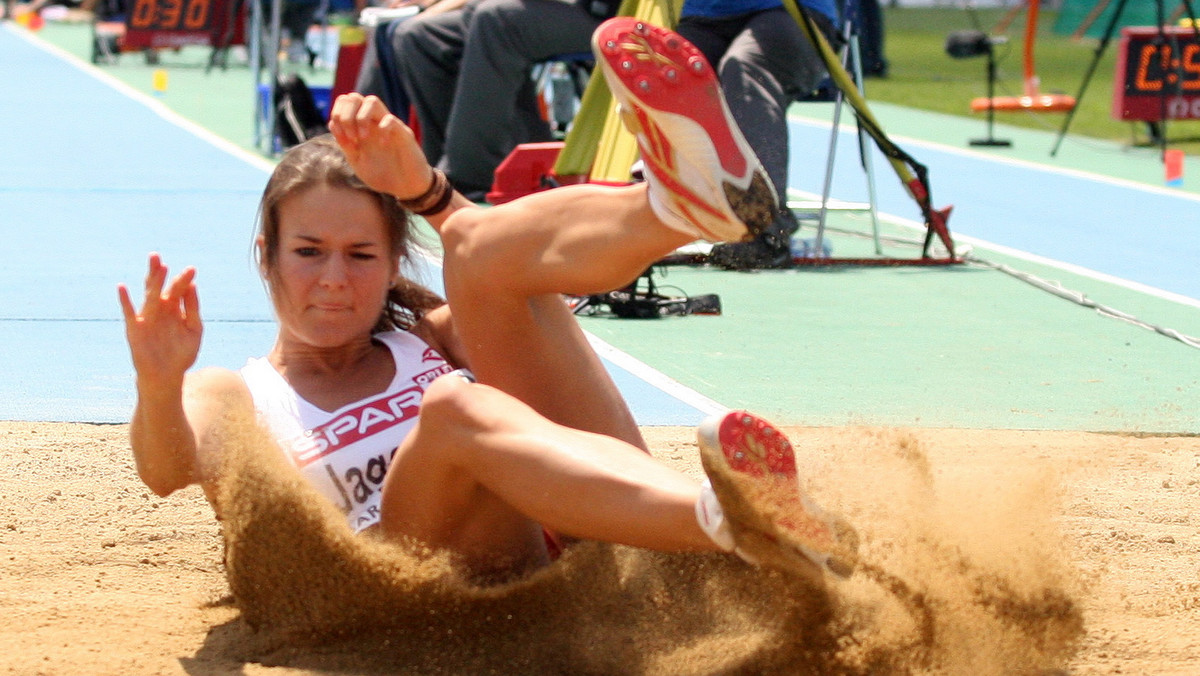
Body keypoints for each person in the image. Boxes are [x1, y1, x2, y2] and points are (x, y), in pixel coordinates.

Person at [117, 18, 855, 584]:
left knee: (478, 251)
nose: (335, 279)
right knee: (454, 410)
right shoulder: (238, 394)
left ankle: (679, 212)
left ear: (393, 261)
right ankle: (728, 519)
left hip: (566, 550)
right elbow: (165, 469)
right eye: (308, 253)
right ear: (266, 261)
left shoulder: (428, 338)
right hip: (411, 599)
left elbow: (527, 295)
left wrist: (425, 192)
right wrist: (158, 383)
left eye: (361, 254)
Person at [386, 0, 617, 200]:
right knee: (419, 34)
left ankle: (471, 181)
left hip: (622, 16)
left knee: (497, 19)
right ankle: (436, 179)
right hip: (575, 9)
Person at [673, 0, 841, 270]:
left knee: (745, 67)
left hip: (791, 13)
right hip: (701, 15)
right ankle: (631, 212)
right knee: (654, 68)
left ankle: (764, 228)